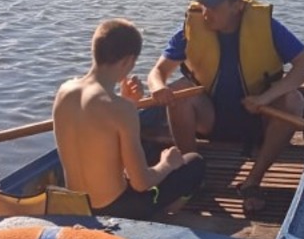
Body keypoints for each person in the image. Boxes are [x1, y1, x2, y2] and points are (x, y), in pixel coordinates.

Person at [147, 0, 304, 217]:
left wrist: (265, 98)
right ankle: (191, 172)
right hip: (212, 118)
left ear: (236, 6)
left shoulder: (267, 27)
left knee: (294, 101)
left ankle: (252, 182)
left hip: (259, 118)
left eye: (214, 7)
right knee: (179, 93)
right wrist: (158, 88)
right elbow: (158, 72)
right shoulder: (192, 26)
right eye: (203, 4)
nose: (206, 12)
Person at [53, 18, 205, 218]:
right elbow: (141, 183)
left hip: (76, 207)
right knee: (194, 163)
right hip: (117, 210)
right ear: (128, 61)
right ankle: (163, 216)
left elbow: (98, 133)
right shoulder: (121, 110)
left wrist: (127, 102)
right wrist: (168, 164)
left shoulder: (64, 91)